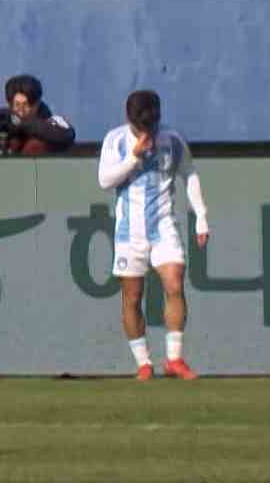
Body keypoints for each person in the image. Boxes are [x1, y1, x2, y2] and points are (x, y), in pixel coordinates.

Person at [96, 90, 209, 381]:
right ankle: (144, 363)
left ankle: (174, 359)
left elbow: (189, 173)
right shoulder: (116, 140)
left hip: (163, 224)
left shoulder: (172, 139)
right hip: (129, 232)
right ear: (129, 119)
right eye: (141, 126)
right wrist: (133, 157)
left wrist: (201, 217)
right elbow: (105, 180)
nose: (148, 131)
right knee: (132, 297)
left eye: (152, 125)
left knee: (174, 282)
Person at [0, 74, 75, 154]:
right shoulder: (2, 119)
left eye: (26, 105)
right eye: (17, 105)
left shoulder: (52, 121)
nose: (21, 111)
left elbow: (67, 135)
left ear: (37, 104)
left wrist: (21, 123)